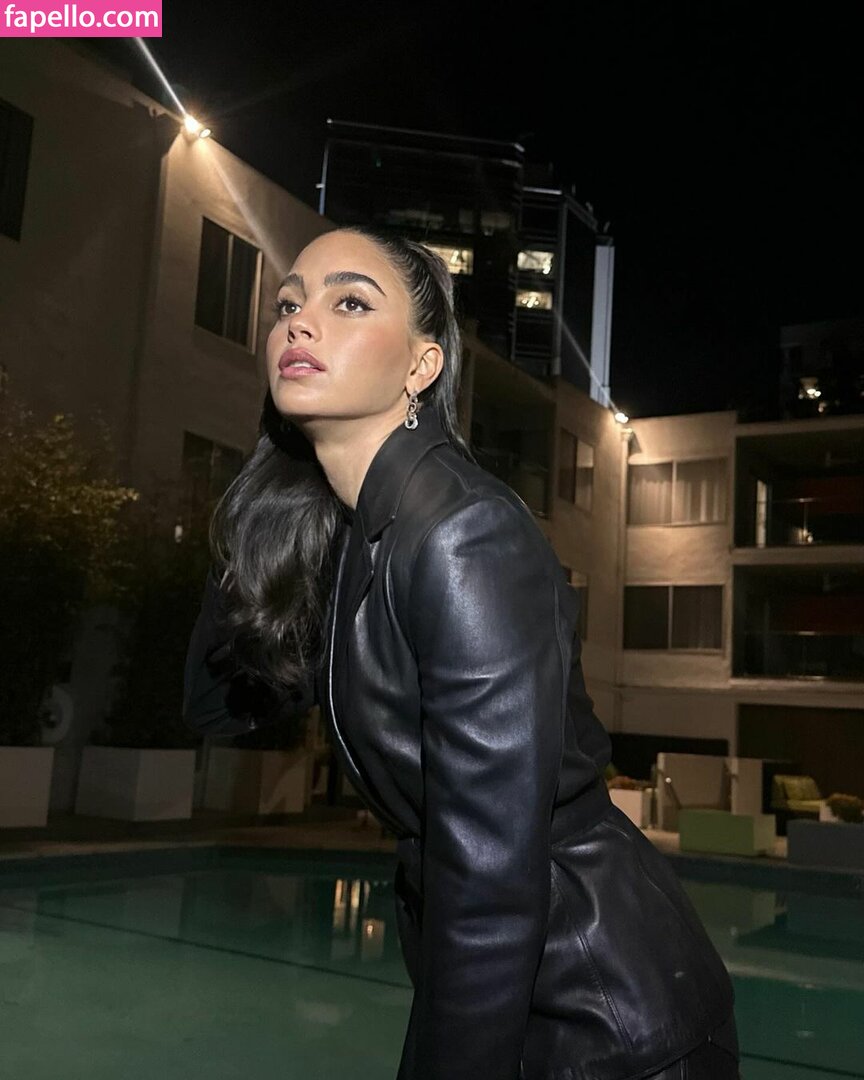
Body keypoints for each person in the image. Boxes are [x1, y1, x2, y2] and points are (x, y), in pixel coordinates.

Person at [182, 226, 742, 1080]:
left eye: (349, 302)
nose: (298, 320)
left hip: (606, 1020)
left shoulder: (462, 533)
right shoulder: (357, 539)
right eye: (288, 304)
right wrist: (266, 506)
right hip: (518, 991)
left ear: (422, 366)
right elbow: (217, 707)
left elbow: (488, 882)